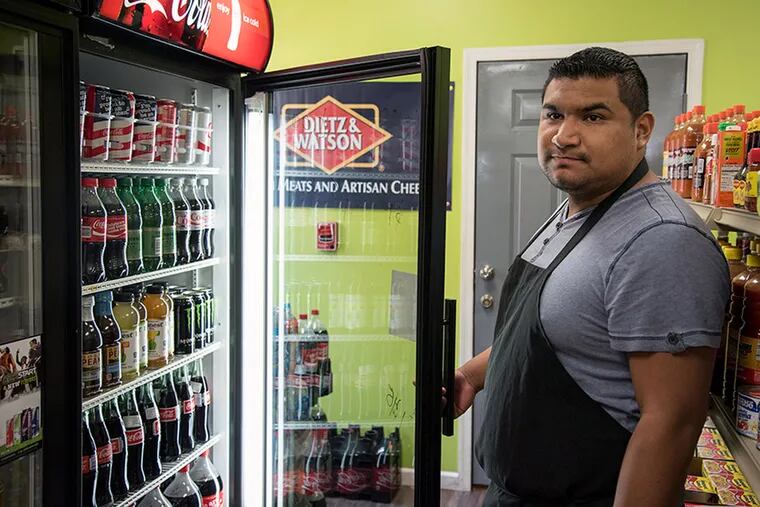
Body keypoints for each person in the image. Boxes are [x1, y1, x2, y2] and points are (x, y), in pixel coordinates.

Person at [449, 47, 730, 506]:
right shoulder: (574, 210)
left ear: (641, 130)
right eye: (553, 115)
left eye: (593, 117)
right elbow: (564, 331)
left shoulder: (662, 240)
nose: (564, 136)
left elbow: (671, 423)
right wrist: (472, 375)